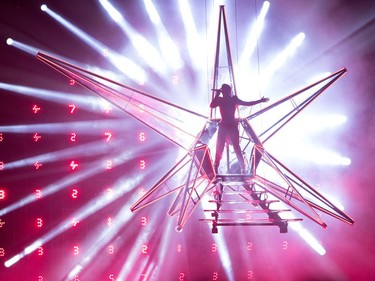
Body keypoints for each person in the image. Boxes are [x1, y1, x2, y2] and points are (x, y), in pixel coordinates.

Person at [210, 83, 269, 174]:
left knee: (222, 147)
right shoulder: (231, 99)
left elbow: (212, 105)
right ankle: (241, 167)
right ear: (229, 91)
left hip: (226, 126)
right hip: (230, 126)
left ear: (224, 91)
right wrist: (260, 101)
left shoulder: (223, 100)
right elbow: (247, 104)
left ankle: (218, 167)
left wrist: (217, 94)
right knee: (233, 147)